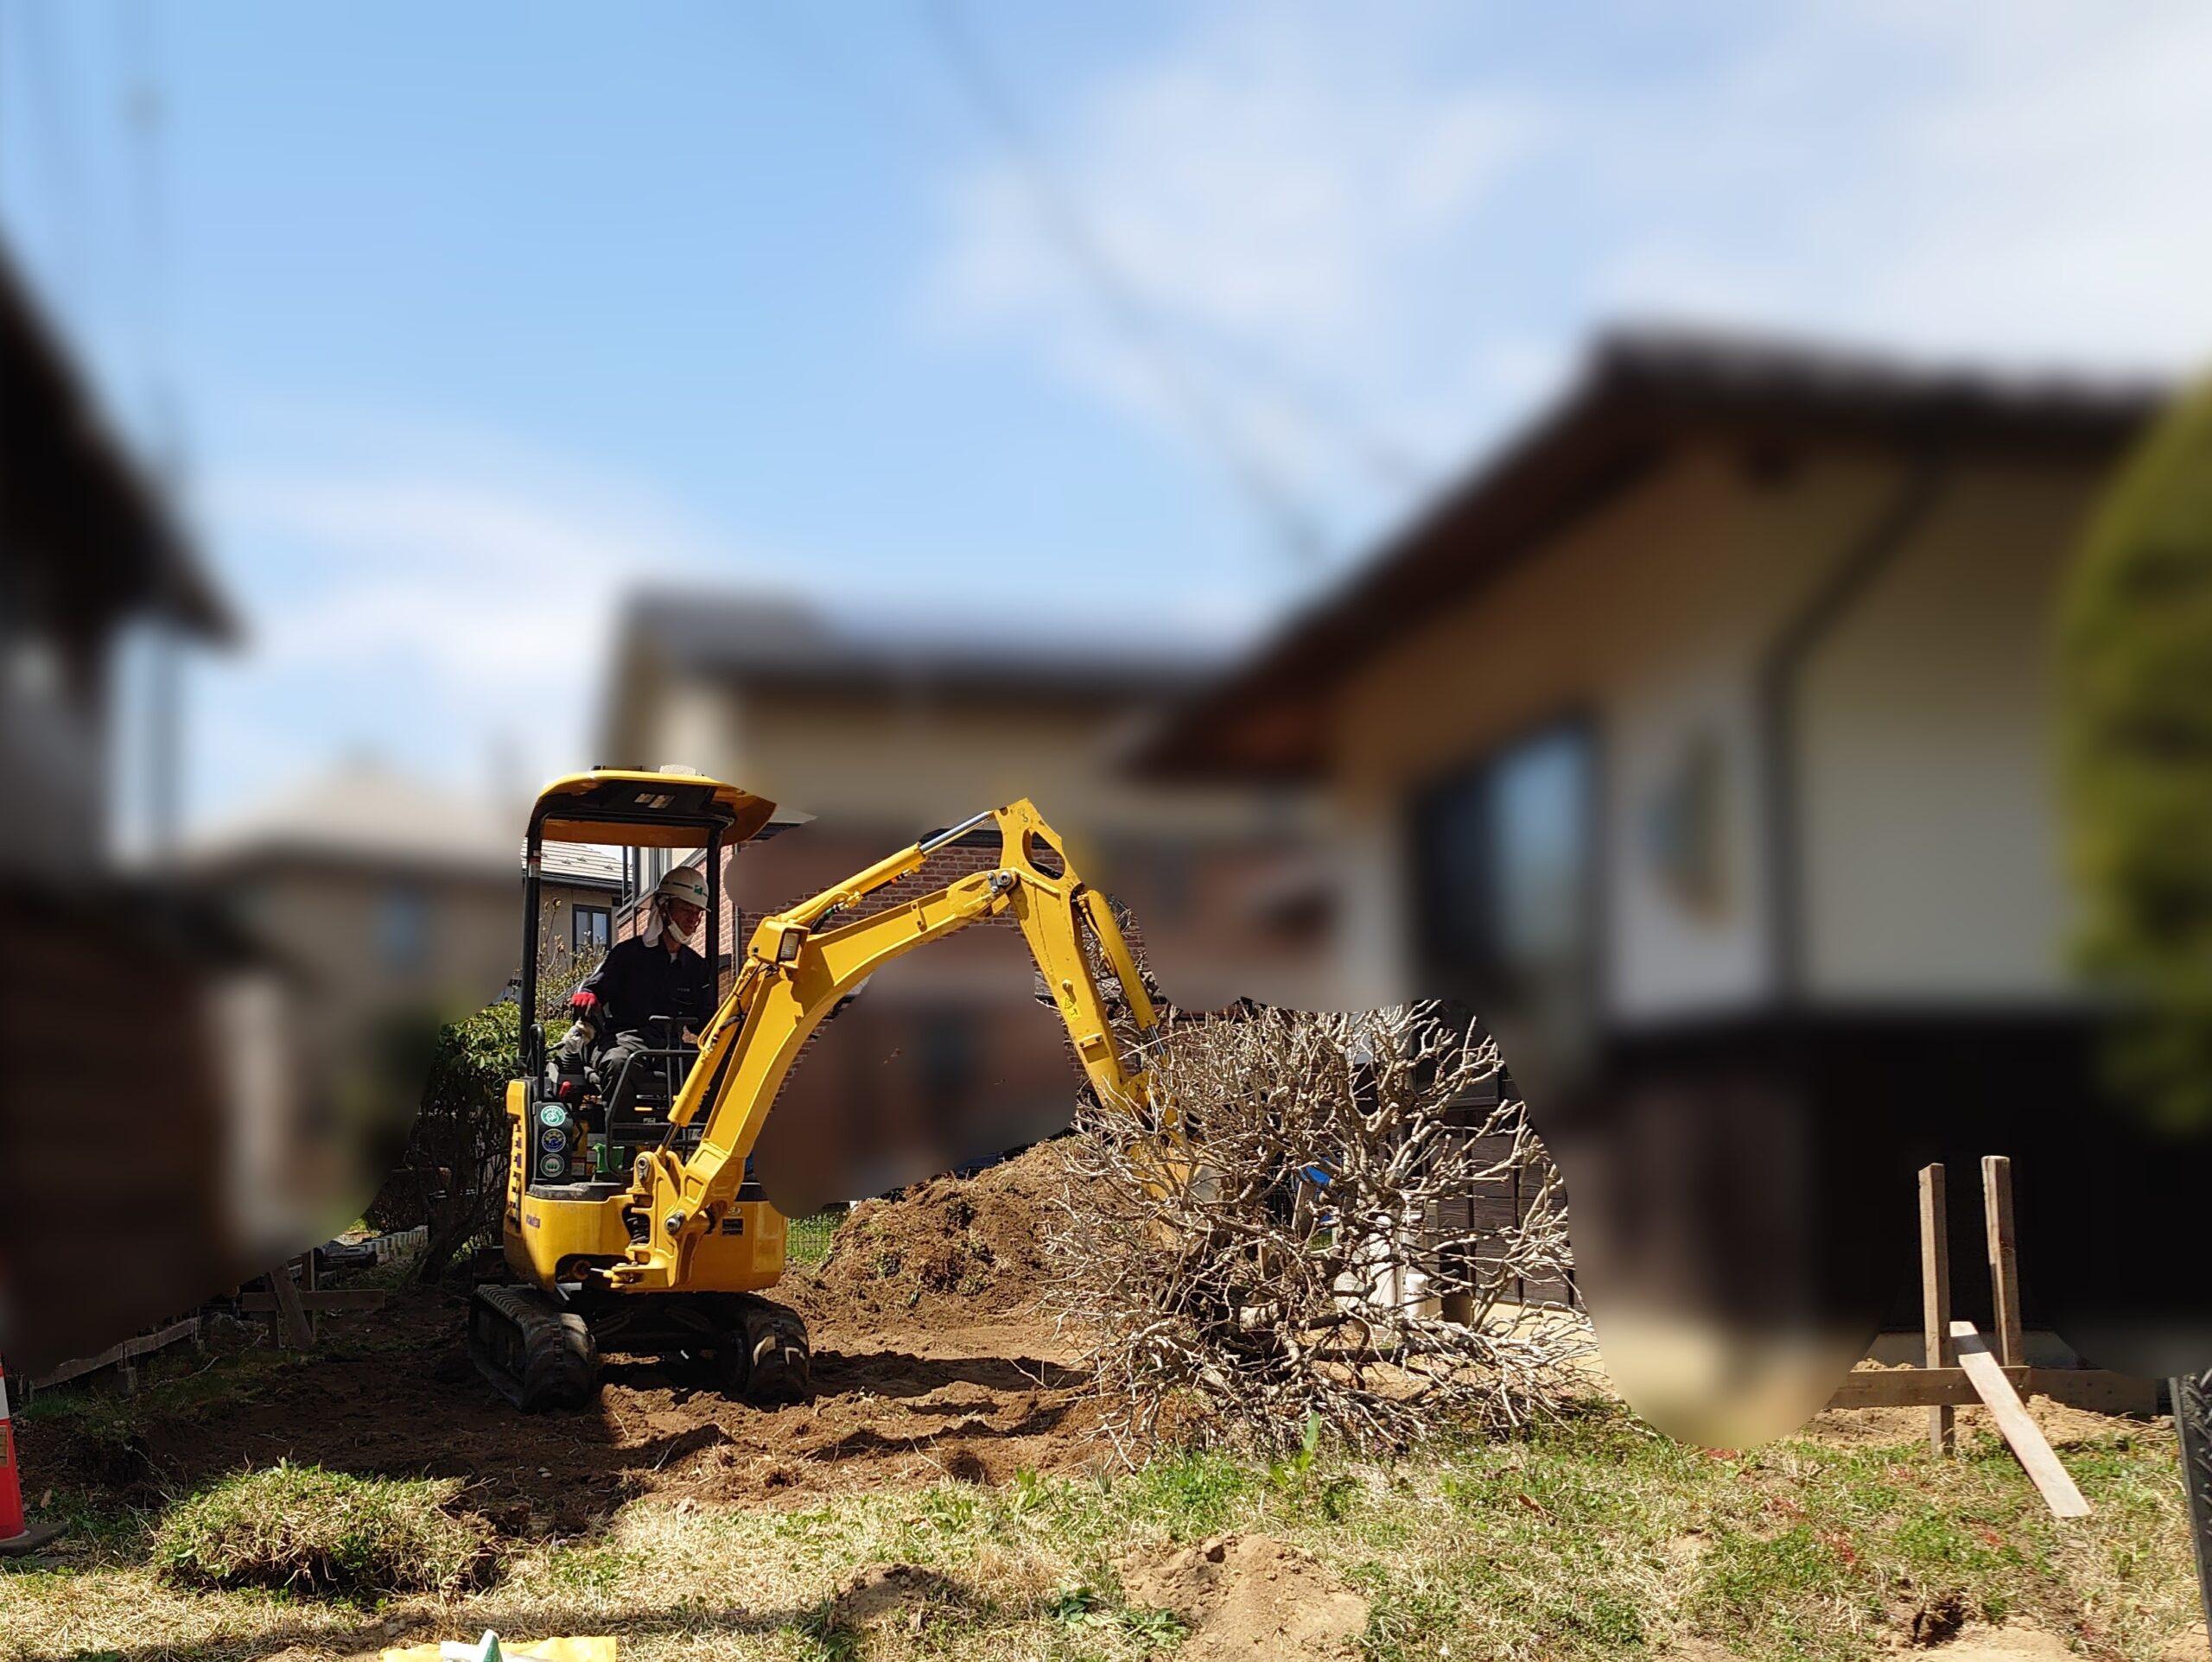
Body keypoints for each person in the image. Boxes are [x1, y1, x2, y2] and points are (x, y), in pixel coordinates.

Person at [552, 864, 716, 1119]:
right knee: (619, 1063)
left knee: (717, 1067)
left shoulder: (696, 967)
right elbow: (598, 987)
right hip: (625, 1040)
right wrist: (590, 996)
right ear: (664, 908)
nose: (693, 919)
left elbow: (705, 1022)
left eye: (698, 913)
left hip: (670, 1047)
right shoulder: (628, 954)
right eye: (686, 910)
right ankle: (623, 1139)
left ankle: (699, 1137)